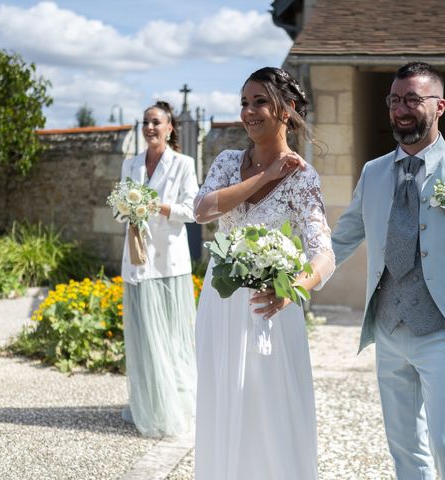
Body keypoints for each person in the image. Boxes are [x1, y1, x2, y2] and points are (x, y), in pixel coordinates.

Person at [331, 62, 445, 479]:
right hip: (389, 332)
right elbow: (342, 238)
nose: (401, 109)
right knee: (405, 448)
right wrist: (297, 278)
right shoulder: (374, 172)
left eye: (412, 99)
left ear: (439, 105)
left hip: (444, 332)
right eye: (394, 100)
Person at [193, 67, 335, 480]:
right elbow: (203, 209)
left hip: (270, 307)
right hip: (219, 306)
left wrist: (293, 289)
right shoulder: (225, 162)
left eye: (259, 101)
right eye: (244, 102)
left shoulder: (304, 178)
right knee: (222, 402)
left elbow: (323, 254)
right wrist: (267, 175)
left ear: (287, 109)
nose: (248, 111)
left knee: (269, 409)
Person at [114, 101, 198, 436]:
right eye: (145, 123)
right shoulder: (130, 164)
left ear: (170, 127)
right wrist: (127, 209)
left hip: (169, 263)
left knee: (171, 338)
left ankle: (175, 406)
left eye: (156, 122)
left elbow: (192, 210)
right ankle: (147, 402)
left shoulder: (183, 164)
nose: (149, 128)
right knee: (142, 338)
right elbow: (120, 210)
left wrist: (156, 206)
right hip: (136, 261)